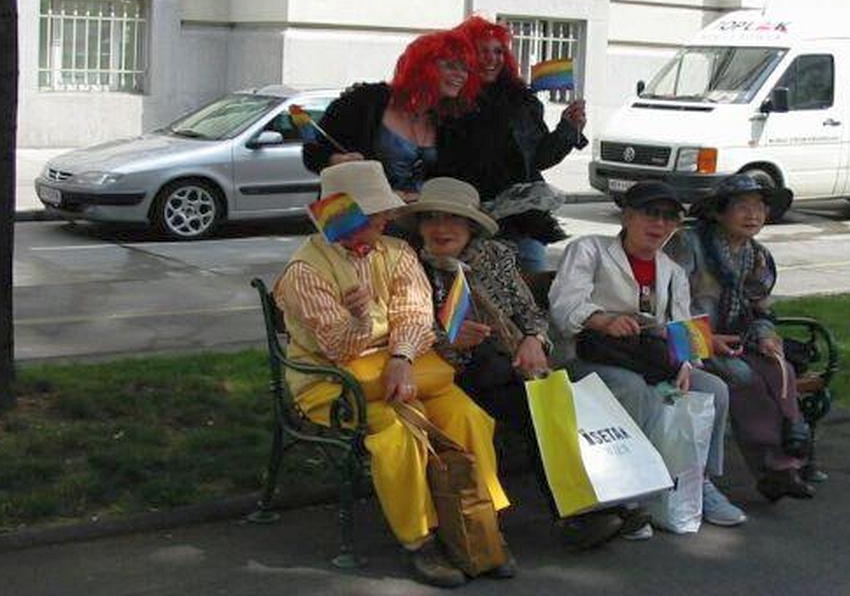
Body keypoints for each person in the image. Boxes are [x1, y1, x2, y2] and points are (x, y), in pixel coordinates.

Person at [273, 160, 511, 588]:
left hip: (408, 367)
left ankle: (480, 526)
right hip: (334, 383)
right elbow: (337, 348)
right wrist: (361, 320)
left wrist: (401, 357)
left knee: (468, 417)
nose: (387, 219)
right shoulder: (305, 271)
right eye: (376, 213)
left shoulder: (396, 252)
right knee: (398, 436)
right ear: (349, 216)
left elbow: (415, 313)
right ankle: (419, 539)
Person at [404, 176, 629, 550]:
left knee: (550, 401)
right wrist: (446, 339)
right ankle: (580, 513)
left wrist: (533, 340)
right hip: (449, 375)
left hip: (509, 367)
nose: (441, 229)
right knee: (538, 406)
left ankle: (599, 503)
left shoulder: (495, 257)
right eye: (432, 219)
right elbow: (403, 328)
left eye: (454, 219)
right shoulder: (409, 266)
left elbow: (531, 313)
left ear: (471, 226)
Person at [548, 180, 747, 535]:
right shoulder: (590, 249)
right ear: (627, 216)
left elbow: (683, 326)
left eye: (669, 217)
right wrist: (602, 320)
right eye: (650, 214)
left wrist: (685, 364)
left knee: (711, 388)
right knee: (632, 388)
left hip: (649, 359)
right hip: (590, 357)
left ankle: (697, 480)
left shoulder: (671, 270)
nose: (659, 224)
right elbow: (565, 304)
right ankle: (629, 495)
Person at [664, 173, 815, 501]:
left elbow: (759, 309)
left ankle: (790, 462)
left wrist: (766, 336)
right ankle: (772, 468)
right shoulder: (688, 244)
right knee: (742, 376)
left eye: (759, 208)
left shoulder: (757, 255)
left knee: (781, 370)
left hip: (735, 340)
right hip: (684, 340)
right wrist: (707, 340)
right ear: (719, 212)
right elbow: (668, 303)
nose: (753, 215)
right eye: (743, 207)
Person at [438, 15, 588, 271]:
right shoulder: (450, 101)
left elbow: (539, 158)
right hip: (467, 215)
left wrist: (567, 129)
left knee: (531, 276)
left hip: (521, 217)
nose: (491, 59)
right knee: (474, 283)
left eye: (498, 51)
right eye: (483, 51)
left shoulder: (522, 101)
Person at [302, 30, 479, 201]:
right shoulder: (364, 102)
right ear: (422, 67)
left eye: (465, 69)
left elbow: (454, 177)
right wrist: (335, 160)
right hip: (356, 214)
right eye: (450, 66)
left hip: (417, 216)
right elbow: (312, 152)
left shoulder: (451, 120)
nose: (461, 75)